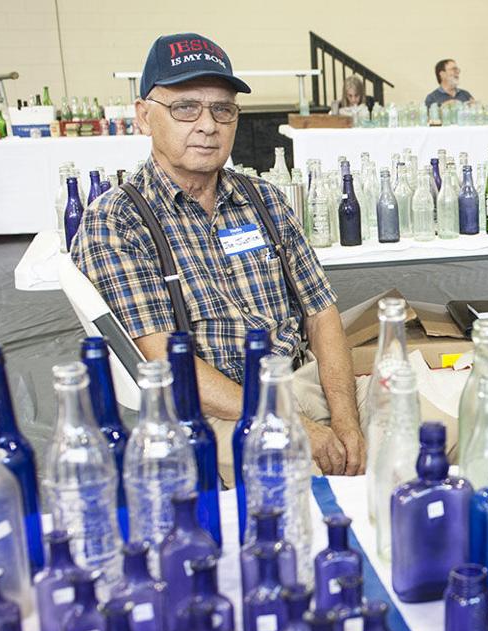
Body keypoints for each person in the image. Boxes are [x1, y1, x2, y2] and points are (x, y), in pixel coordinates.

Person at [71, 32, 367, 480]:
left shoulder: (264, 199)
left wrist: (346, 421)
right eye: (185, 107)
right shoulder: (117, 221)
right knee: (313, 490)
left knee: (436, 427)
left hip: (303, 381)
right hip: (216, 411)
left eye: (222, 109)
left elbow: (320, 313)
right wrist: (297, 426)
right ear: (144, 117)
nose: (207, 125)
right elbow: (167, 363)